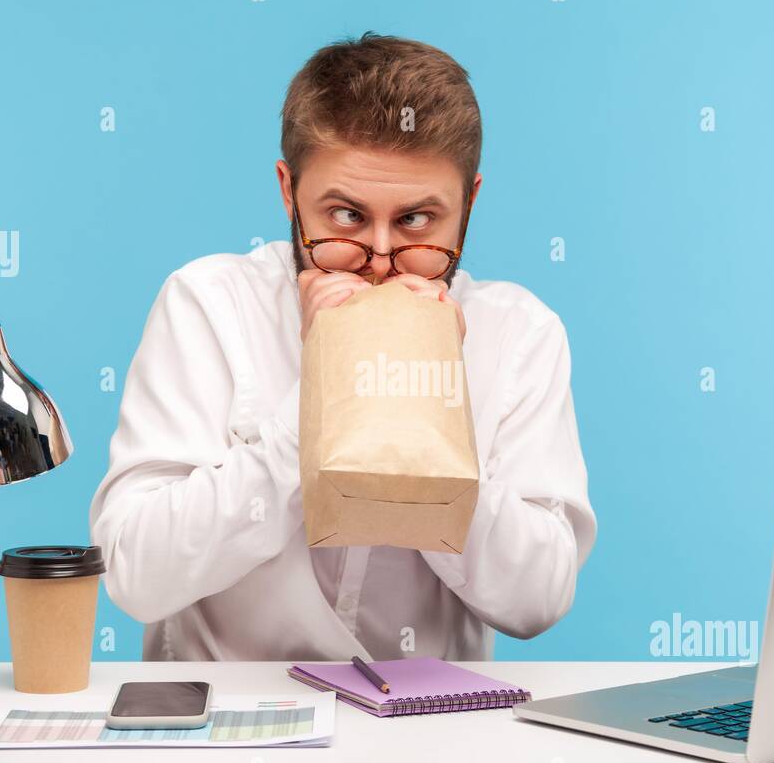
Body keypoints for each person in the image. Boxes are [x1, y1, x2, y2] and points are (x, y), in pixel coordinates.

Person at [89, 32, 596, 661]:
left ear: (469, 202)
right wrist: (327, 395)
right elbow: (136, 573)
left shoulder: (521, 332)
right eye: (346, 216)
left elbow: (538, 599)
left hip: (424, 737)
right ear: (287, 191)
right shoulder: (207, 304)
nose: (379, 260)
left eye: (416, 221)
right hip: (229, 726)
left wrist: (426, 409)